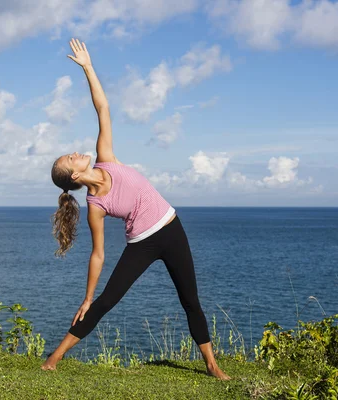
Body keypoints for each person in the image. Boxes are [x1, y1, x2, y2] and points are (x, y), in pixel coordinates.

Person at [41, 38, 230, 380]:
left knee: (191, 300)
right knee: (104, 303)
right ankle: (54, 358)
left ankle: (213, 366)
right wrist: (87, 296)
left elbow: (103, 109)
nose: (74, 151)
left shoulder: (107, 158)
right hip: (141, 243)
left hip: (171, 229)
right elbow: (98, 255)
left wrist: (88, 67)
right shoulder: (95, 205)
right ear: (72, 173)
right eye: (69, 156)